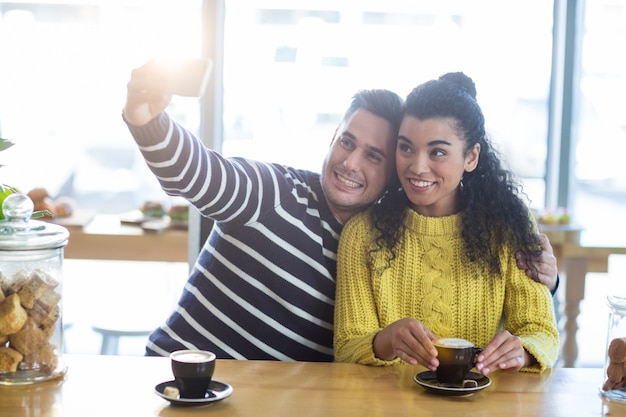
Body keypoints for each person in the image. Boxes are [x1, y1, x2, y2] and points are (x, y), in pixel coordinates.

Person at [122, 61, 559, 361]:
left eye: (375, 155)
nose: (351, 163)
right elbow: (195, 173)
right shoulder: (273, 192)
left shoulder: (391, 232)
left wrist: (546, 282)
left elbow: (499, 307)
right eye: (347, 141)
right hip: (179, 382)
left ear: (393, 171)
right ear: (332, 135)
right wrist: (146, 118)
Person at [333, 72, 559, 374]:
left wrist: (524, 351)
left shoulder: (507, 226)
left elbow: (541, 331)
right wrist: (385, 341)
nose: (417, 166)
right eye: (405, 147)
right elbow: (347, 347)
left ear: (471, 156)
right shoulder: (362, 234)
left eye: (437, 151)